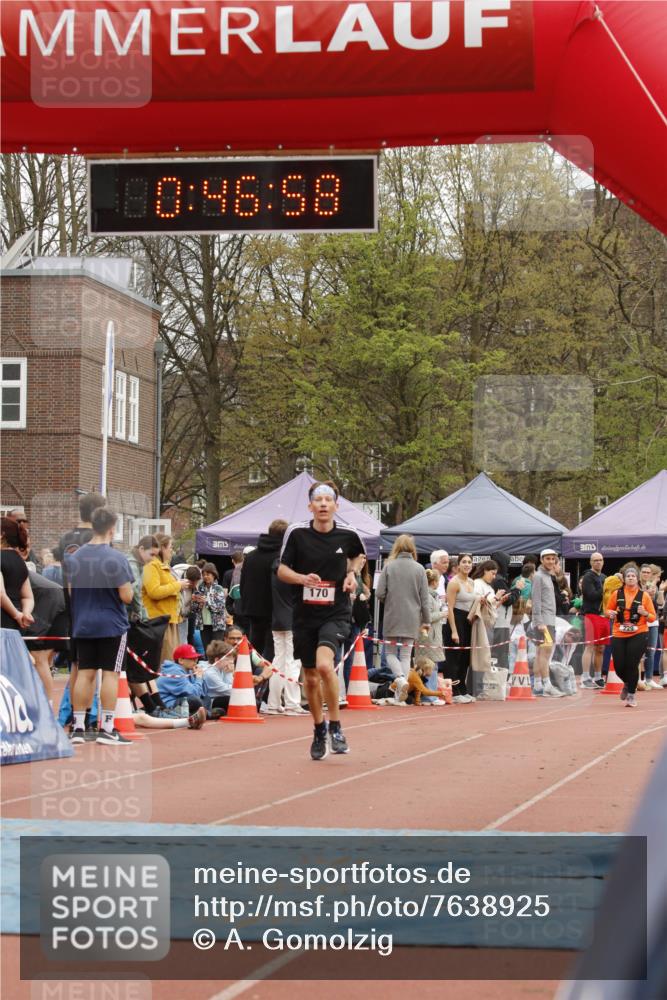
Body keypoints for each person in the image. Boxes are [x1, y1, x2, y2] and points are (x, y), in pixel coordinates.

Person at [278, 481, 365, 760]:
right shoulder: (297, 533)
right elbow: (280, 570)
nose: (324, 504)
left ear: (336, 506)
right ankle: (319, 728)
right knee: (311, 678)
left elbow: (358, 557)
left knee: (326, 666)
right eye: (319, 500)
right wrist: (302, 578)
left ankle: (336, 727)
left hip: (335, 612)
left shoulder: (348, 535)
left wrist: (352, 575)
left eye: (329, 500)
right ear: (310, 506)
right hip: (304, 615)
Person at [66, 507, 134, 745]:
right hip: (111, 623)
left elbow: (71, 592)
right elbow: (126, 596)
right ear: (112, 529)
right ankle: (106, 727)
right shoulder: (116, 558)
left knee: (84, 673)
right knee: (110, 674)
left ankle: (79, 726)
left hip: (83, 621)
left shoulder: (75, 557)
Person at [376, 534, 430, 680]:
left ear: (397, 547)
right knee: (406, 655)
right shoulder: (420, 569)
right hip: (412, 617)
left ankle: (399, 679)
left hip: (392, 615)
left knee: (390, 653)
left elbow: (380, 593)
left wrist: (390, 600)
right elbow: (425, 599)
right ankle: (403, 685)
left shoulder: (388, 566)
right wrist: (426, 621)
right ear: (412, 548)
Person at [268, 526, 307, 716]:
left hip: (277, 619)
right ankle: (292, 703)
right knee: (293, 662)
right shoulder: (295, 571)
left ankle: (273, 703)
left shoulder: (275, 567)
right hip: (293, 619)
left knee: (279, 662)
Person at [607, 564, 657, 708]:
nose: (630, 578)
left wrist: (645, 613)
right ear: (624, 578)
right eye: (628, 576)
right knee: (618, 666)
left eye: (633, 576)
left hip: (639, 632)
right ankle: (628, 683)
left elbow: (653, 618)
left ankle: (631, 694)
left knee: (631, 664)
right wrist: (610, 613)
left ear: (637, 578)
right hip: (619, 632)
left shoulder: (644, 595)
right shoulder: (616, 594)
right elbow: (608, 610)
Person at [240, 520, 288, 661]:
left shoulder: (251, 557)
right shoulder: (282, 556)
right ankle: (266, 680)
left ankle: (250, 678)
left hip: (254, 609)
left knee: (255, 648)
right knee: (275, 651)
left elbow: (243, 583)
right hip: (276, 610)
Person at [142, 534, 191, 662]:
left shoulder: (163, 565)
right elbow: (153, 591)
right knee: (164, 662)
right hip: (158, 621)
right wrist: (177, 585)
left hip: (169, 620)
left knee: (170, 660)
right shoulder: (151, 565)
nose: (172, 550)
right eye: (170, 547)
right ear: (162, 548)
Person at [530, 548, 564, 697]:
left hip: (548, 619)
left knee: (540, 653)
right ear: (542, 560)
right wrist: (539, 621)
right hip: (544, 621)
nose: (551, 561)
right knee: (545, 653)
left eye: (553, 559)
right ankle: (547, 685)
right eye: (548, 559)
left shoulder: (548, 576)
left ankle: (538, 685)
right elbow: (536, 599)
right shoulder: (538, 577)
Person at [443, 553, 476, 703]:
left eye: (469, 562)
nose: (467, 564)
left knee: (464, 657)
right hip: (455, 619)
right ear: (458, 565)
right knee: (454, 658)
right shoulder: (454, 583)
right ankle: (454, 691)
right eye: (464, 562)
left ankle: (463, 688)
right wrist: (454, 630)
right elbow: (449, 608)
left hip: (467, 621)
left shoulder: (471, 582)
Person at [0, 516, 35, 631]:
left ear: (2, 535)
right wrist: (25, 613)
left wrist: (17, 615)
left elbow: (1, 594)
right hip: (14, 627)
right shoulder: (21, 562)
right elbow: (28, 597)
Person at [580, 551, 608, 689]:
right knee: (589, 646)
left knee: (601, 648)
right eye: (595, 560)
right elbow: (591, 595)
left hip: (603, 616)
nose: (598, 562)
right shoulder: (587, 577)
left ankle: (598, 677)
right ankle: (585, 677)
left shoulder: (604, 577)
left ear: (603, 561)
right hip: (591, 615)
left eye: (600, 560)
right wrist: (606, 589)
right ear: (591, 562)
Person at [490, 551, 518, 671]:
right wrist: (518, 590)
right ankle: (501, 675)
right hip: (500, 620)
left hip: (499, 620)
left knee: (498, 651)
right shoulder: (499, 580)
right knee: (500, 651)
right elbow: (507, 600)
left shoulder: (496, 579)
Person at [192, 562, 226, 649]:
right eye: (203, 574)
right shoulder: (199, 588)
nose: (205, 577)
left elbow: (219, 608)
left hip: (217, 625)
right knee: (207, 649)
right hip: (203, 624)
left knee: (216, 650)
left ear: (214, 575)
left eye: (208, 574)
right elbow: (194, 610)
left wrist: (206, 601)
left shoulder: (218, 588)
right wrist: (196, 601)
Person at [127, 535, 159, 623]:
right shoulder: (132, 564)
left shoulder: (138, 564)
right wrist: (143, 616)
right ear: (141, 549)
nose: (153, 559)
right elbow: (135, 591)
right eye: (151, 554)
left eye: (155, 556)